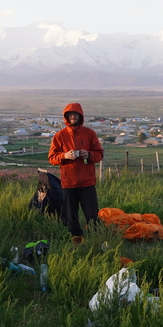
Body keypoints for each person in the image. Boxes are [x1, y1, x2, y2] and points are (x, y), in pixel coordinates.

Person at [48, 103, 104, 244]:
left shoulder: (90, 134)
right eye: (70, 114)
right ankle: (76, 239)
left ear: (80, 116)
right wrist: (64, 156)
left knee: (92, 213)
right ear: (66, 117)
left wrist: (89, 155)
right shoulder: (59, 136)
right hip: (69, 181)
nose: (73, 116)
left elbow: (99, 154)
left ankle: (97, 238)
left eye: (76, 114)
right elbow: (51, 158)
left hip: (87, 181)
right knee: (70, 214)